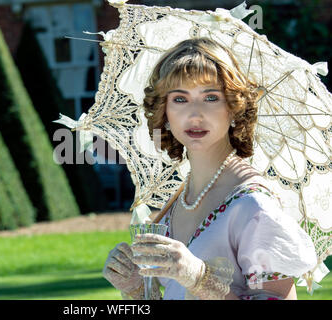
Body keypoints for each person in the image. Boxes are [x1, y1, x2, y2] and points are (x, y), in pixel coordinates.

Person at [102, 37, 318, 300]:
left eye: (211, 97)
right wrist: (136, 289)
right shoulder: (178, 202)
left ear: (233, 108)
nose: (195, 114)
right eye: (180, 99)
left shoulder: (253, 206)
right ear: (164, 112)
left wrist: (198, 277)